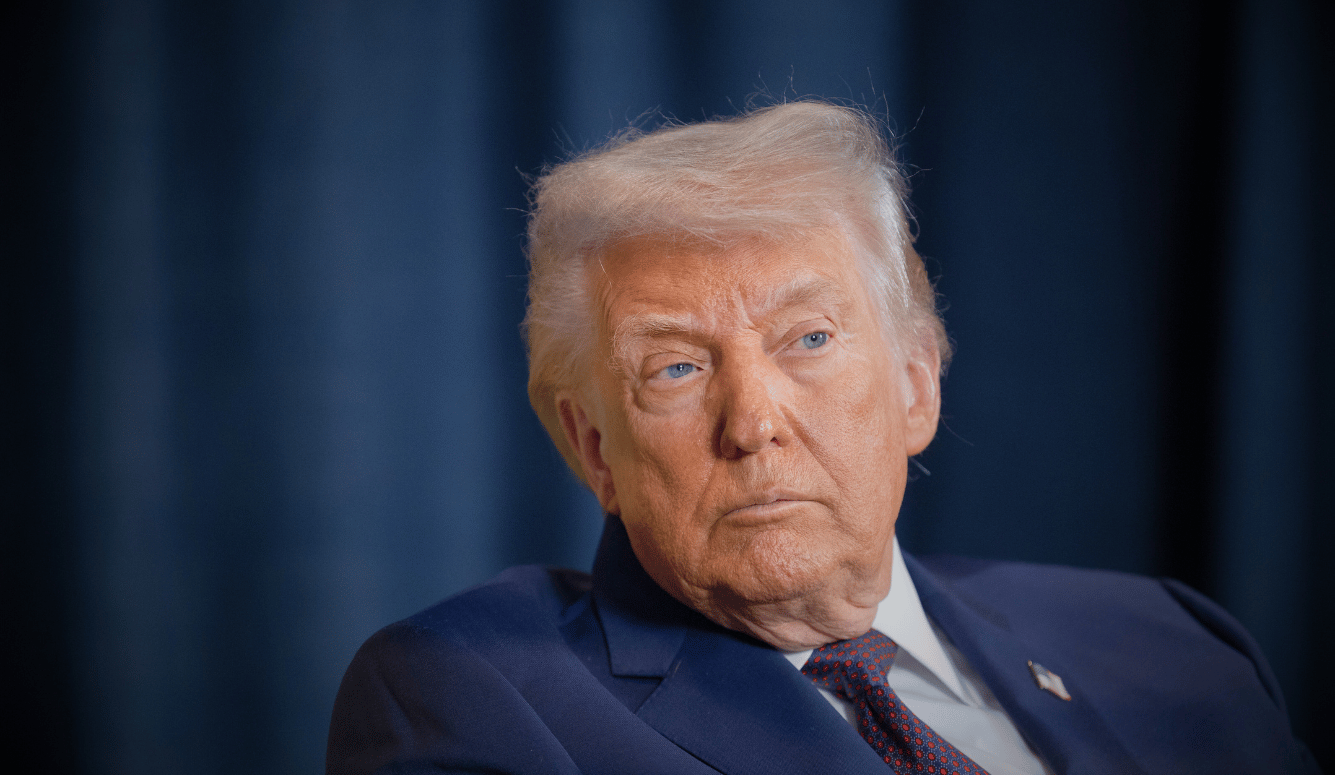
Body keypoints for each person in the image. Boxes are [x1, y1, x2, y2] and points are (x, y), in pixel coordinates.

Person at [326, 101, 1319, 774]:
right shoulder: (471, 693)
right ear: (593, 447)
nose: (753, 423)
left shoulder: (1178, 646)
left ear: (915, 384)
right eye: (676, 365)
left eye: (808, 338)